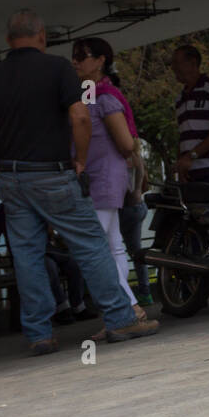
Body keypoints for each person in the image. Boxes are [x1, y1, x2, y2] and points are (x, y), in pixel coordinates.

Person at [0, 9, 159, 355]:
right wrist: (79, 158)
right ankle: (120, 319)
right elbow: (79, 115)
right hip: (53, 171)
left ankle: (39, 334)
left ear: (8, 40)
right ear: (42, 36)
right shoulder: (57, 69)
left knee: (28, 254)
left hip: (12, 178)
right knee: (91, 245)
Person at [71, 37, 147, 319]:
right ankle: (126, 308)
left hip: (102, 177)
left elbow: (126, 144)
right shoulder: (93, 94)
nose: (76, 61)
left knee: (96, 245)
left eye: (83, 55)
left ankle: (125, 308)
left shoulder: (104, 97)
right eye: (75, 55)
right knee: (112, 244)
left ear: (101, 60)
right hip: (98, 177)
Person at [172, 44, 209, 184]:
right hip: (191, 174)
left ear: (193, 63)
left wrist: (190, 156)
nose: (173, 68)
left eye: (177, 63)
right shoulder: (180, 98)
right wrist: (181, 164)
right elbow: (183, 136)